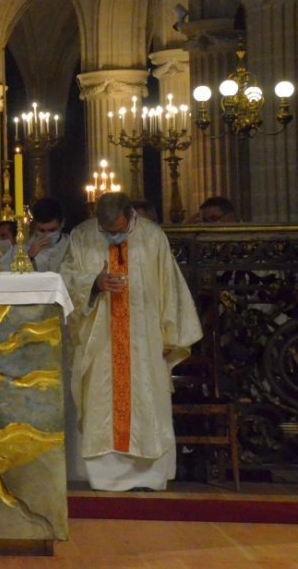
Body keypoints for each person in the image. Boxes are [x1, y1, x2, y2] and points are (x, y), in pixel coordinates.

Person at [58, 192, 203, 492]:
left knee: (146, 401)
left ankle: (148, 475)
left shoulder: (153, 238)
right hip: (100, 342)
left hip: (145, 341)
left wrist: (170, 335)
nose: (114, 236)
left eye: (120, 230)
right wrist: (94, 284)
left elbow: (170, 288)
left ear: (131, 216)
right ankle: (103, 476)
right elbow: (66, 279)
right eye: (108, 231)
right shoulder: (83, 235)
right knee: (101, 401)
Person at [26, 197, 69, 272]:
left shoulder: (71, 245)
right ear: (35, 226)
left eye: (52, 230)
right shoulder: (25, 248)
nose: (46, 235)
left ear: (62, 223)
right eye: (41, 230)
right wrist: (29, 257)